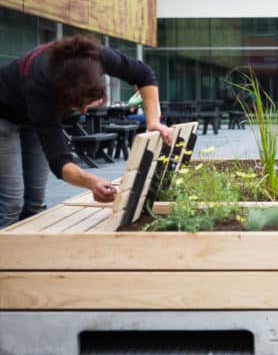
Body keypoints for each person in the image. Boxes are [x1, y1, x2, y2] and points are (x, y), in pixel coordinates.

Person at [0, 35, 172, 229]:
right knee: (12, 201)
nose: (83, 111)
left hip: (33, 111)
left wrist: (153, 121)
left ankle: (27, 251)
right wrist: (92, 182)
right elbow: (59, 161)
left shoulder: (98, 56)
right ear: (62, 94)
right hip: (4, 114)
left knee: (35, 201)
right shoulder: (41, 89)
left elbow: (144, 75)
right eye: (77, 106)